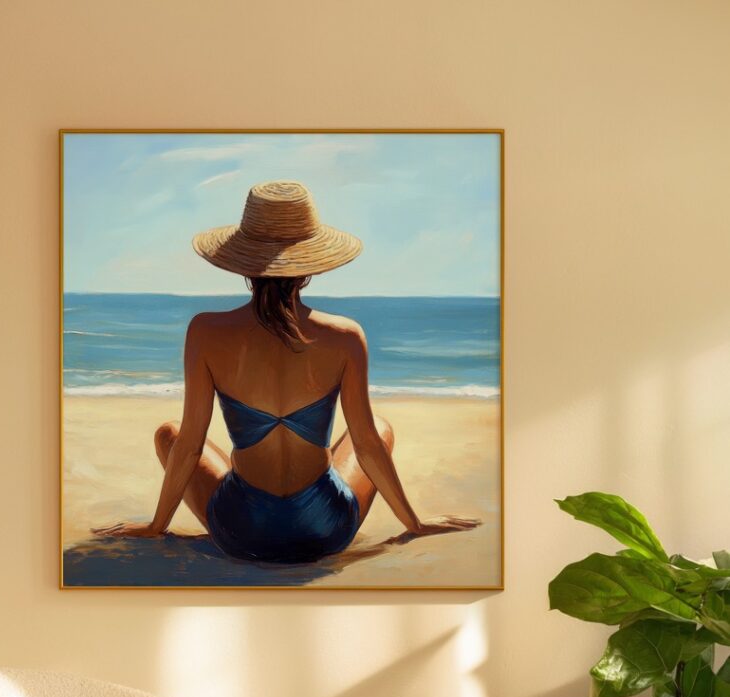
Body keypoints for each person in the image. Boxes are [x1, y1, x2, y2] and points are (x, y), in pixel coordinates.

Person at [92, 180, 480, 563]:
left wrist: (157, 526)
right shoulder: (345, 336)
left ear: (244, 266)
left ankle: (236, 495)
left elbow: (191, 442)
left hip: (240, 531)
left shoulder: (205, 331)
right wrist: (414, 523)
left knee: (171, 435)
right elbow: (365, 444)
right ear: (308, 269)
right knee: (377, 428)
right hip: (325, 530)